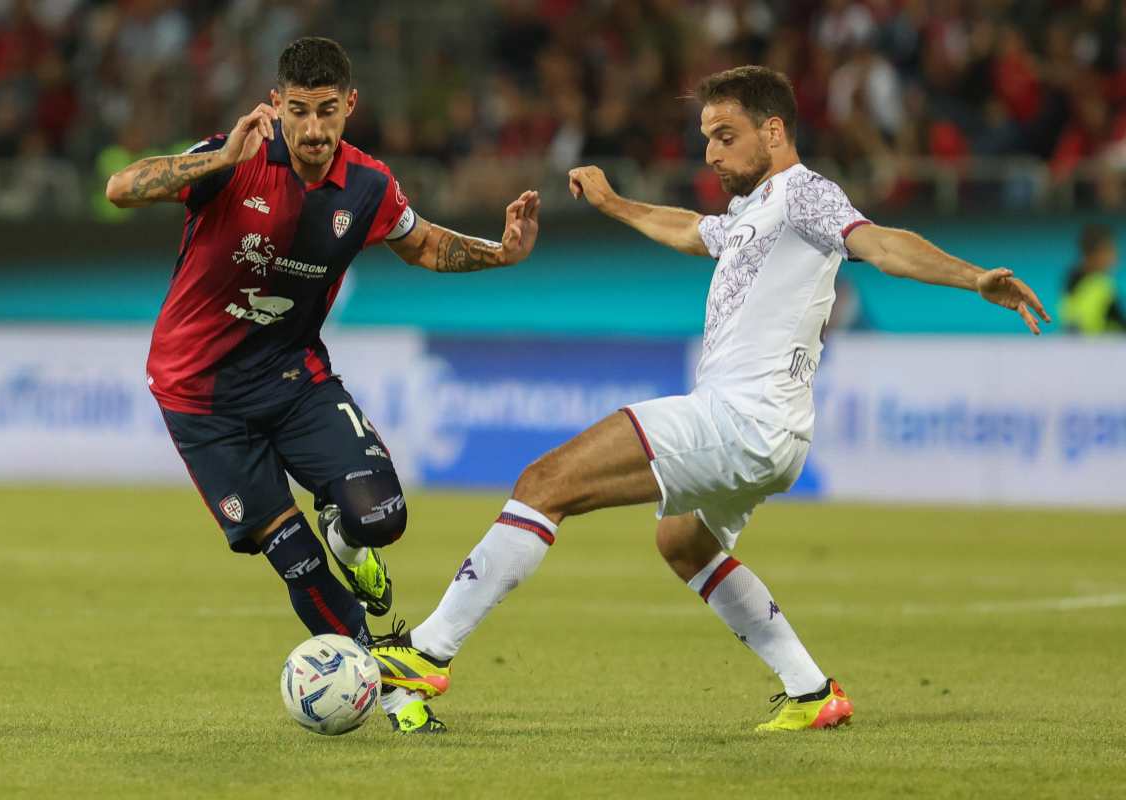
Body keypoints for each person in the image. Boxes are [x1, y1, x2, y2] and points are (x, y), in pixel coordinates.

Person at [370, 65, 1049, 733]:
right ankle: (811, 691)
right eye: (706, 139)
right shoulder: (754, 211)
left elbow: (882, 245)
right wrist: (615, 204)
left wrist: (974, 278)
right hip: (770, 430)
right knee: (683, 541)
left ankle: (427, 653)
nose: (710, 154)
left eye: (726, 136)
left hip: (742, 419)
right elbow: (693, 231)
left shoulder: (807, 194)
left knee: (544, 483)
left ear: (774, 131)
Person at [104, 37, 539, 734]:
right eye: (299, 111)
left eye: (327, 111)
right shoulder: (233, 157)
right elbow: (122, 188)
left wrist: (500, 253)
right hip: (199, 395)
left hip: (293, 377)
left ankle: (348, 536)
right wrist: (218, 159)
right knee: (296, 561)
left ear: (350, 106)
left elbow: (424, 244)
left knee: (381, 516)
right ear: (275, 104)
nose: (312, 128)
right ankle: (391, 692)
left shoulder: (369, 186)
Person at [1060, 224, 1124, 334]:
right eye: (1110, 250)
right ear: (1095, 254)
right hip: (1103, 342)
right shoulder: (1102, 286)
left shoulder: (1069, 281)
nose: (1115, 255)